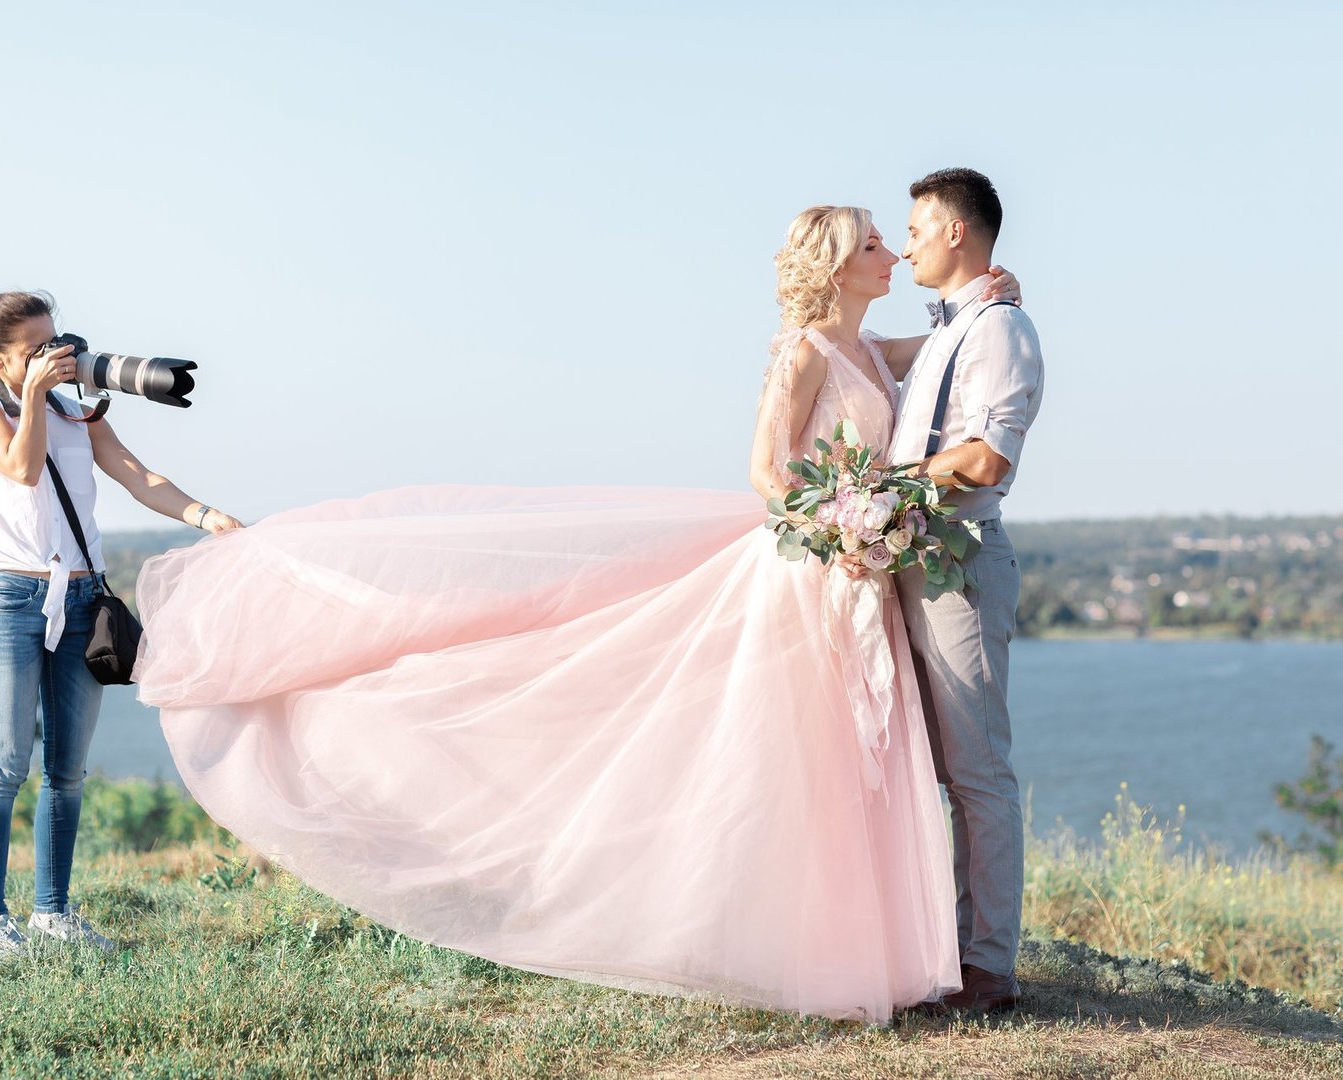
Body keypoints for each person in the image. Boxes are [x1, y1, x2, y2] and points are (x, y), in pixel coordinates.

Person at [131, 216, 1020, 1021]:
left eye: (892, 238)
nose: (892, 253)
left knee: (858, 763)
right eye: (873, 243)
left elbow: (942, 346)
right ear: (833, 265)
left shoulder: (871, 350)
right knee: (802, 761)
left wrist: (994, 293)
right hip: (814, 573)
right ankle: (808, 954)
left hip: (861, 574)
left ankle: (882, 957)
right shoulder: (804, 354)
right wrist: (840, 530)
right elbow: (767, 474)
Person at [0, 290, 242, 955]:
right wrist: (32, 395)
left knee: (68, 771)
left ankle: (52, 914)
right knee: (5, 765)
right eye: (35, 350)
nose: (55, 358)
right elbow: (22, 468)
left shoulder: (75, 411)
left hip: (82, 604)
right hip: (13, 603)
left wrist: (207, 516)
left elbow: (139, 477)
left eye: (57, 343)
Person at [885, 168, 1044, 1013]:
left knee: (977, 772)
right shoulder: (951, 328)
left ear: (954, 231)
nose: (904, 241)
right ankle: (942, 948)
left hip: (962, 563)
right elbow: (859, 355)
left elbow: (986, 460)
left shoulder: (1001, 331)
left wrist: (887, 485)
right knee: (931, 766)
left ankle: (989, 969)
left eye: (914, 226)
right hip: (911, 563)